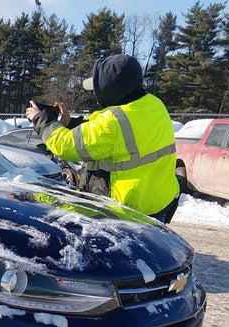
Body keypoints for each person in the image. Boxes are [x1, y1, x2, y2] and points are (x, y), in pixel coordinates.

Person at [25, 54, 180, 223]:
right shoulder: (153, 104)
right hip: (160, 204)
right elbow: (107, 131)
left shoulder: (114, 121)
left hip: (127, 215)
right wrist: (70, 122)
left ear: (110, 89)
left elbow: (66, 145)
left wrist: (40, 119)